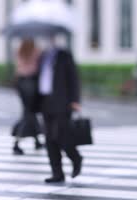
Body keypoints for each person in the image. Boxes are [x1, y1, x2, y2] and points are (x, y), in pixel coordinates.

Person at [36, 37, 83, 183]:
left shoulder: (64, 55)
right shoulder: (42, 56)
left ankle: (76, 158)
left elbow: (73, 78)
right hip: (45, 101)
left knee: (62, 136)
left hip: (62, 102)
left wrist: (75, 100)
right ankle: (57, 173)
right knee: (49, 139)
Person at [11, 39, 44, 155]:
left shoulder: (19, 50)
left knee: (30, 113)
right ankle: (16, 143)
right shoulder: (36, 51)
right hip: (31, 82)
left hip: (20, 82)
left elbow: (17, 68)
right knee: (28, 113)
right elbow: (39, 67)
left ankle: (37, 141)